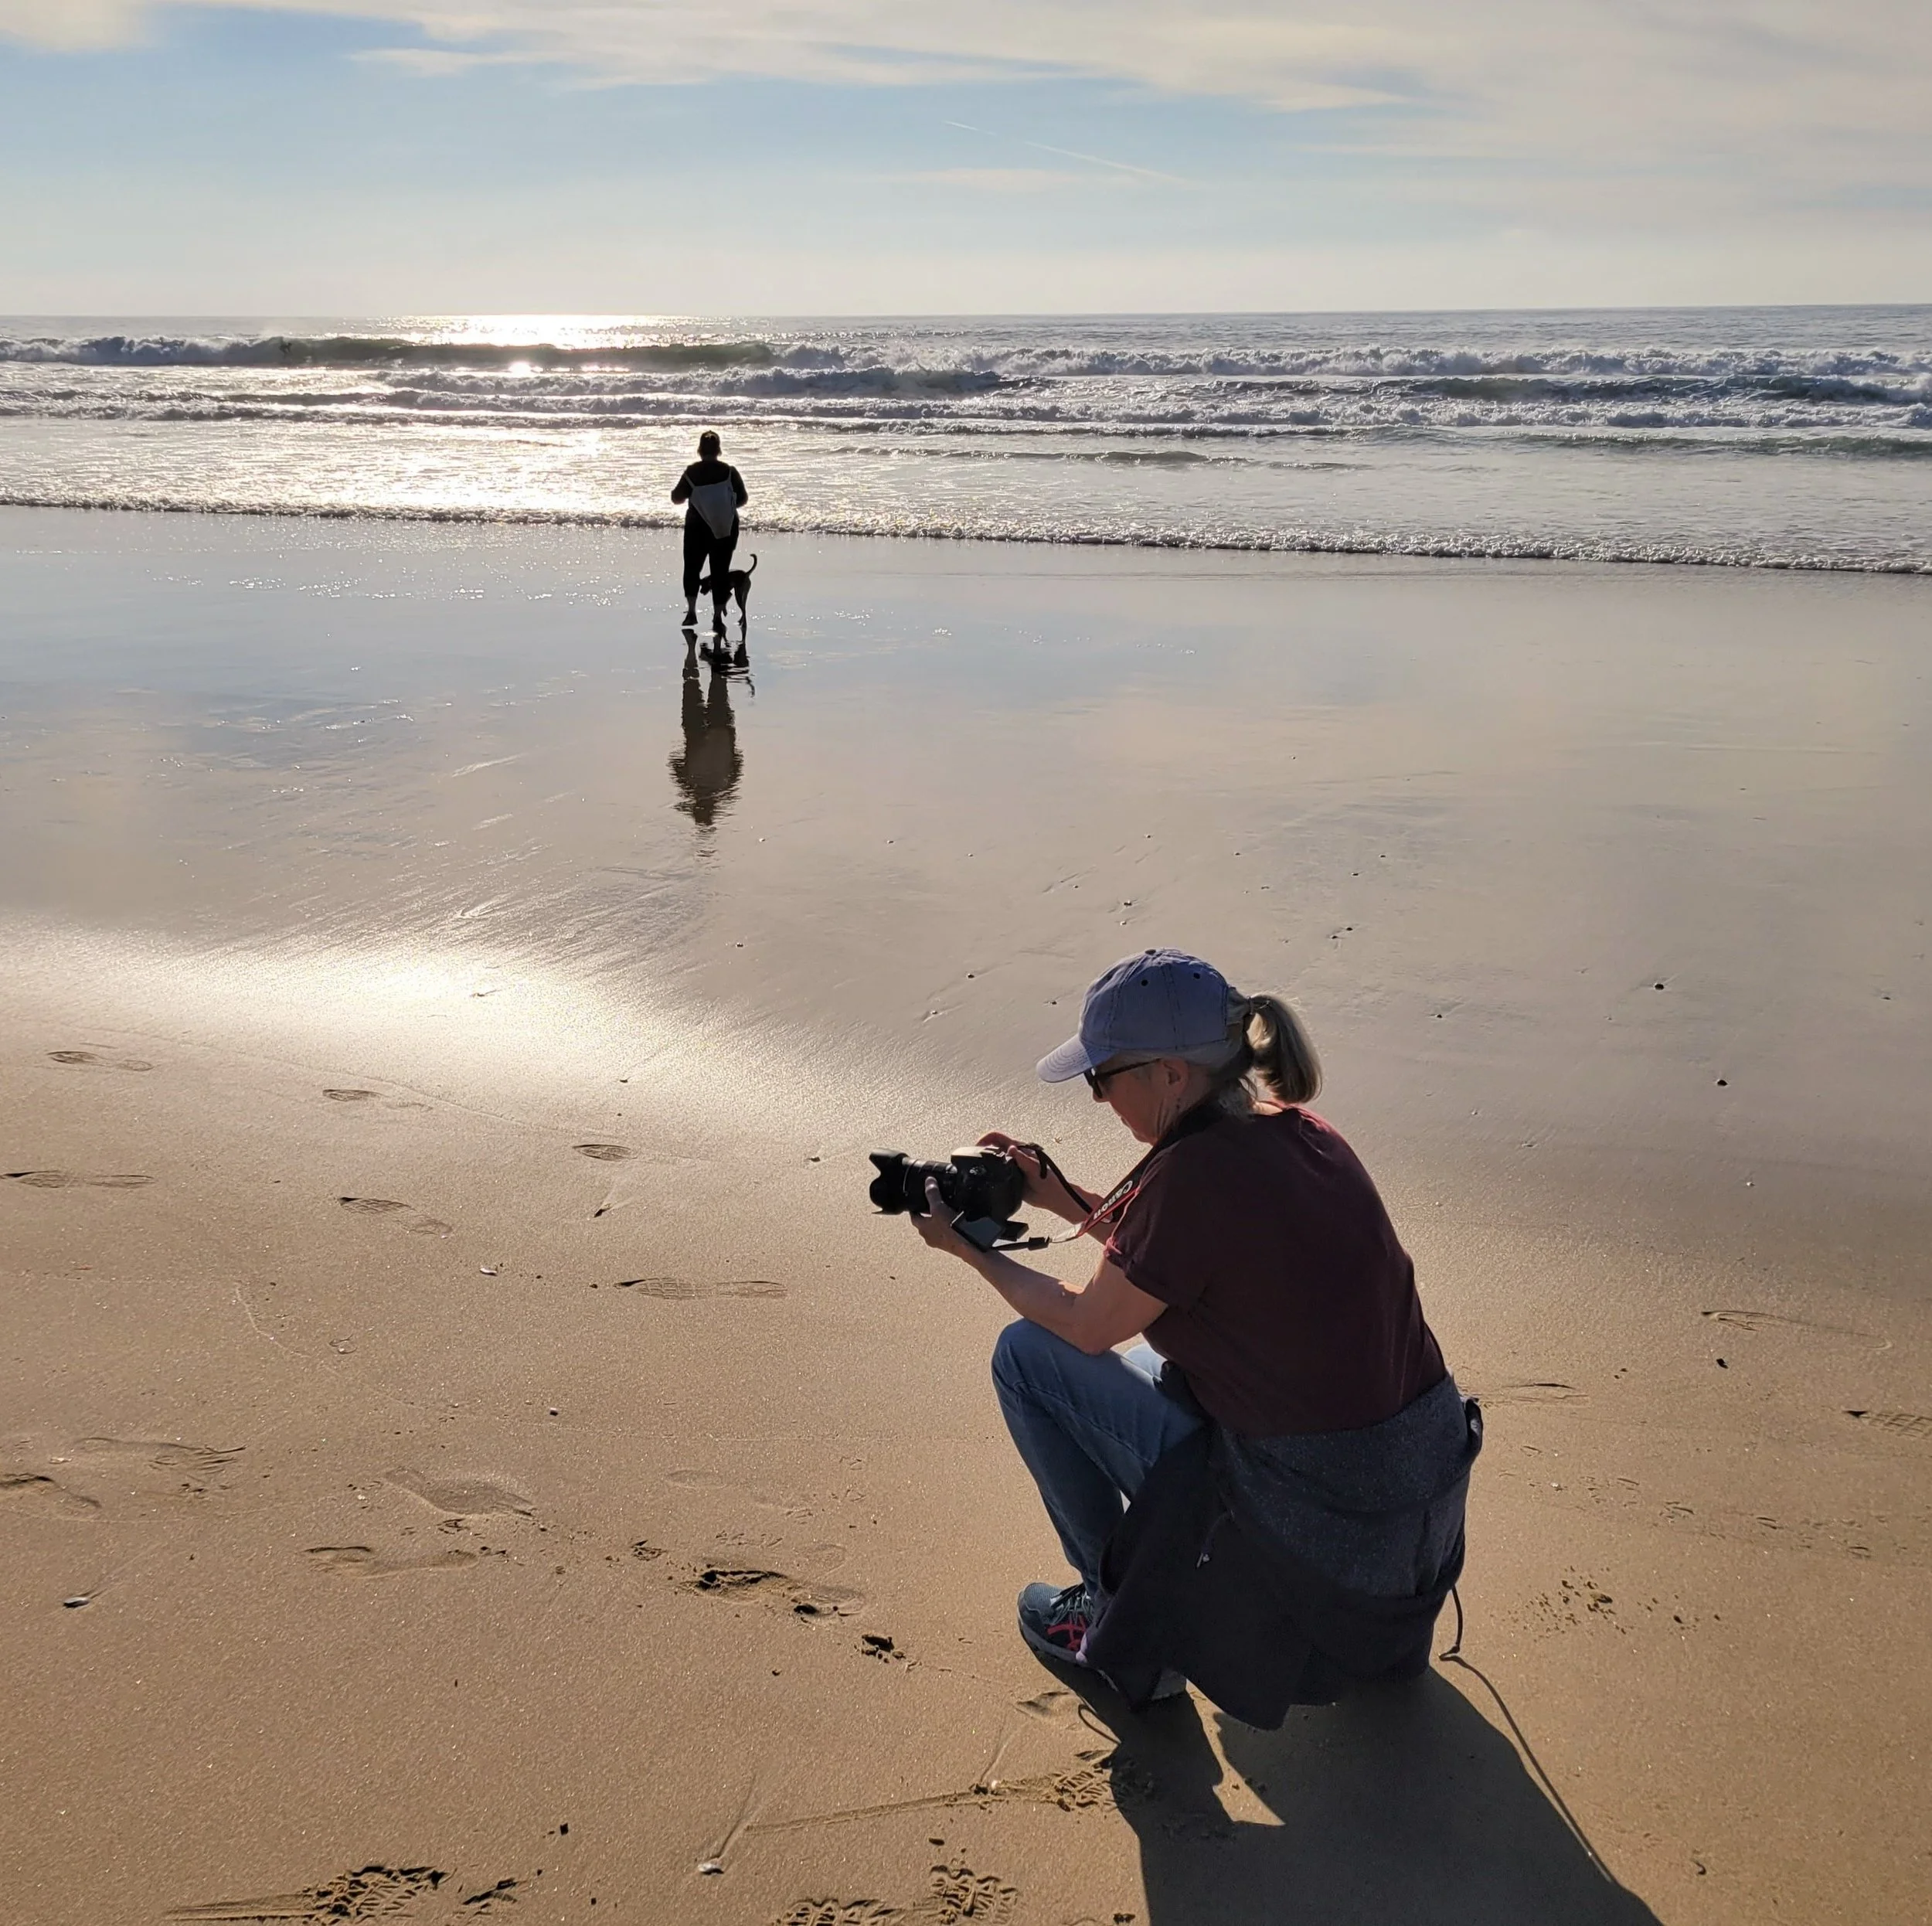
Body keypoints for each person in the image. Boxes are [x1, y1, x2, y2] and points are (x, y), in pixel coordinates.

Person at [906, 948, 1480, 1726]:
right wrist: (1056, 1195)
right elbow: (1172, 1259)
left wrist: (970, 1249)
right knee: (1149, 1356)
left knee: (1027, 1357)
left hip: (1322, 1524)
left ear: (1170, 1073)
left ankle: (1117, 1619)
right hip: (1408, 1533)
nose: (1101, 1097)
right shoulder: (1301, 1134)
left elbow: (1085, 1322)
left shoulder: (1194, 1177)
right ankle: (1157, 1595)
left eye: (1103, 1077)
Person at [671, 430, 748, 631]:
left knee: (692, 569)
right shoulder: (730, 472)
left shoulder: (692, 472)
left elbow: (676, 498)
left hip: (696, 529)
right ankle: (717, 617)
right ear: (719, 450)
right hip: (726, 529)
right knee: (720, 572)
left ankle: (691, 612)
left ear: (699, 450)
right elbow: (742, 499)